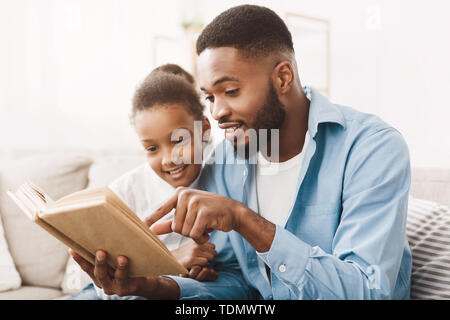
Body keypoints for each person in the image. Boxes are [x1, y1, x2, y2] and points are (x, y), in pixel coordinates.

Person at [74, 5, 412, 300]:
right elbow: (240, 285)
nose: (217, 112)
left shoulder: (371, 149)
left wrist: (246, 220)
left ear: (282, 77)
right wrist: (153, 287)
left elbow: (367, 292)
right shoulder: (225, 165)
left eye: (231, 91)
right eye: (209, 97)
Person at [69, 64, 245, 299]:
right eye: (152, 148)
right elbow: (106, 286)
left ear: (203, 129)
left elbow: (239, 279)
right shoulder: (123, 193)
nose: (169, 159)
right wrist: (172, 263)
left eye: (178, 140)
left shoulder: (226, 180)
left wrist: (199, 275)